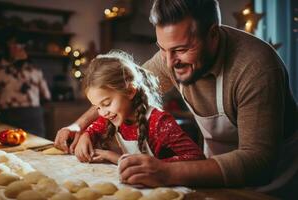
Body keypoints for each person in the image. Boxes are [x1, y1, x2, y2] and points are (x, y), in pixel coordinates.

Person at [54, 0, 297, 197]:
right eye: (162, 48)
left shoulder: (255, 68)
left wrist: (167, 172)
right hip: (215, 175)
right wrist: (79, 126)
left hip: (273, 185)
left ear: (213, 34)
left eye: (181, 50)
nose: (169, 63)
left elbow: (258, 163)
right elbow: (126, 90)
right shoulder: (170, 56)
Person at [74, 51, 205, 164]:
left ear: (130, 91)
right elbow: (94, 128)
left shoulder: (159, 122)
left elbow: (196, 159)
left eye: (106, 103)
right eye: (97, 107)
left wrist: (117, 158)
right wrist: (85, 136)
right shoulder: (113, 117)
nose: (103, 113)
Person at [0, 34, 51, 137]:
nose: (17, 49)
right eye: (13, 45)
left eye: (20, 45)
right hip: (9, 115)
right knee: (10, 147)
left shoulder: (35, 69)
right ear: (6, 47)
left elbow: (46, 96)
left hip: (33, 116)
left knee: (37, 147)